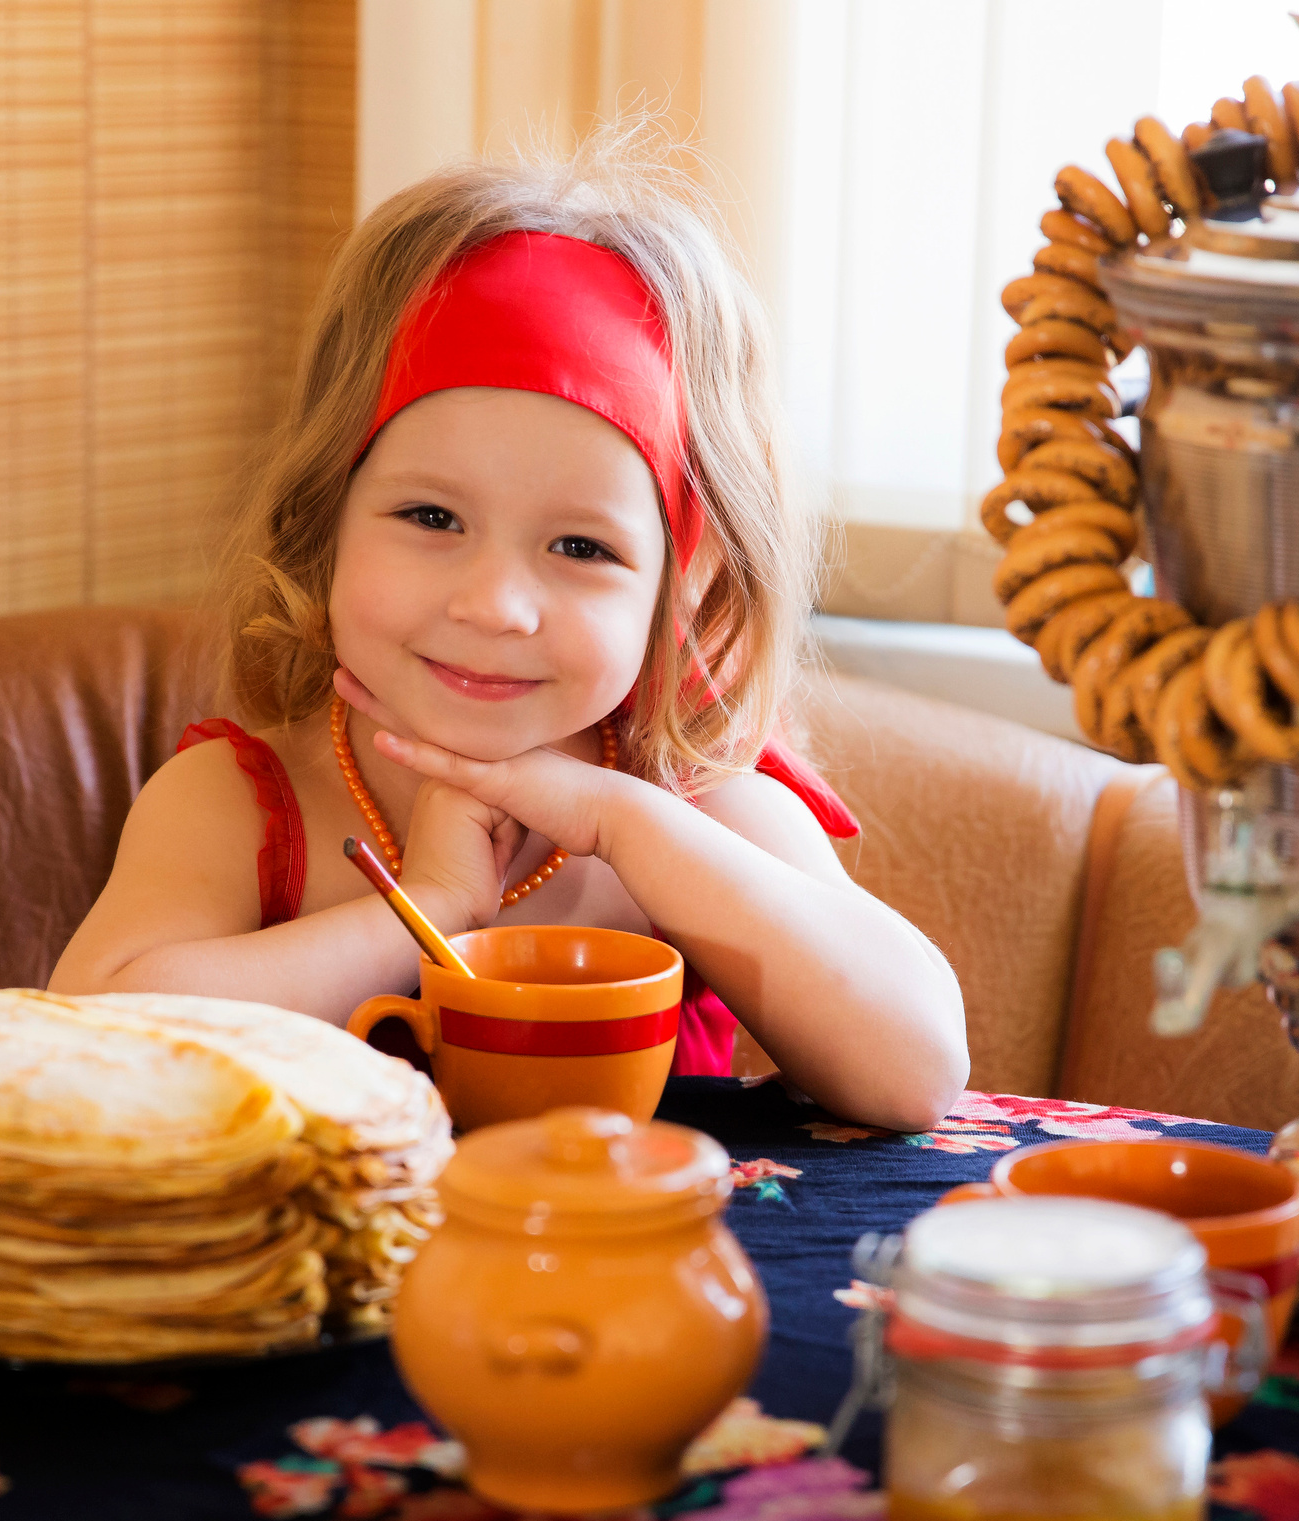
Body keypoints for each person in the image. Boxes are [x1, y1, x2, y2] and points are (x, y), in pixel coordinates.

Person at [52, 138, 967, 1131]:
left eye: (579, 546)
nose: (495, 604)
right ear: (325, 524)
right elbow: (88, 1043)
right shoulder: (241, 805)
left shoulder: (695, 810)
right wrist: (428, 908)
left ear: (679, 591)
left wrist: (625, 823)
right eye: (432, 519)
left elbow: (915, 1070)